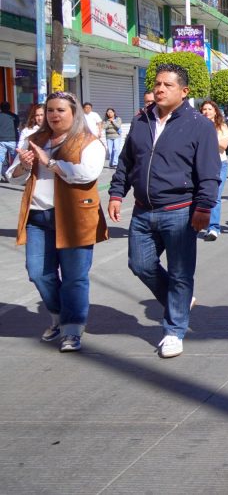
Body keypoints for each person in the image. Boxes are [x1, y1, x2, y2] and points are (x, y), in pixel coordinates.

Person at [108, 64, 221, 358]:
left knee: (182, 273)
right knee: (140, 264)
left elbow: (209, 172)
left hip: (180, 211)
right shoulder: (141, 121)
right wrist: (117, 193)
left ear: (184, 92)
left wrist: (204, 207)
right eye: (157, 84)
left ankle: (174, 330)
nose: (159, 89)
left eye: (167, 85)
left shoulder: (199, 125)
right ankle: (181, 301)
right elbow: (125, 162)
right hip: (143, 211)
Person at [8, 92, 108, 352]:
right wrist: (24, 166)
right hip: (38, 217)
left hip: (74, 218)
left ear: (74, 114)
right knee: (38, 272)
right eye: (50, 110)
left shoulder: (89, 142)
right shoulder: (35, 139)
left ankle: (72, 330)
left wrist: (49, 162)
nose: (54, 115)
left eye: (60, 110)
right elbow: (12, 177)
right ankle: (58, 317)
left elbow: (85, 175)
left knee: (75, 278)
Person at [198, 100, 228, 241]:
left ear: (215, 111)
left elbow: (223, 146)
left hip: (219, 164)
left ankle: (213, 228)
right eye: (204, 109)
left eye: (209, 109)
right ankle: (197, 224)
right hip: (200, 164)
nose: (206, 111)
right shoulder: (196, 126)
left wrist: (208, 135)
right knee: (199, 196)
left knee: (215, 197)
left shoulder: (221, 127)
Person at [0, 100, 19, 180]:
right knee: (16, 159)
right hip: (13, 140)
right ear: (9, 107)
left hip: (1, 140)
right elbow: (17, 126)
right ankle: (17, 175)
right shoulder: (14, 116)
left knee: (0, 159)